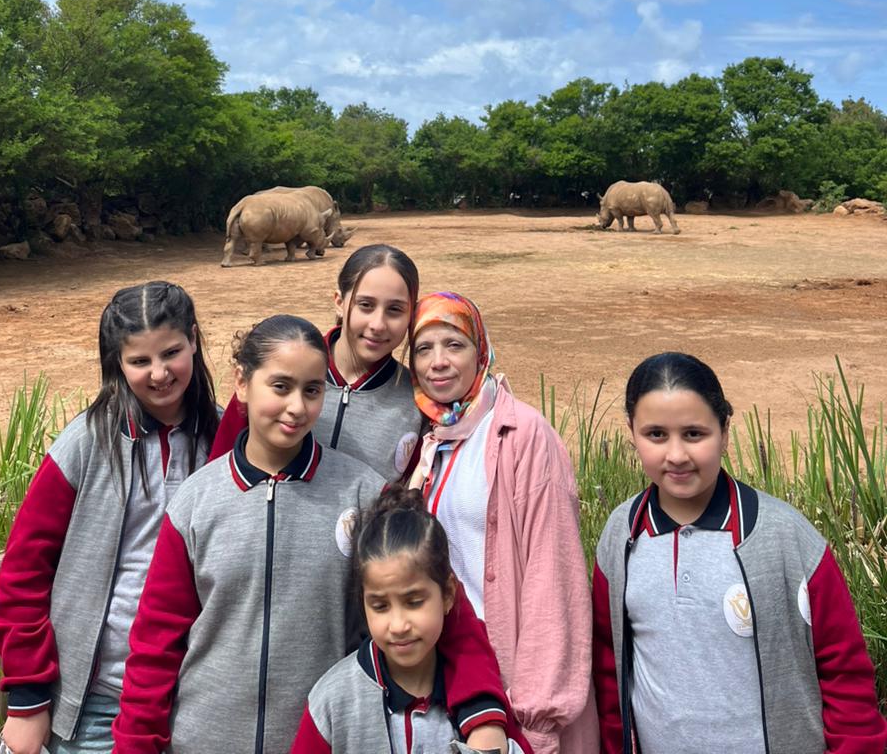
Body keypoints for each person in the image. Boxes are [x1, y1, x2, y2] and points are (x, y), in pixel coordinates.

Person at [112, 315, 510, 754]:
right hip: (202, 740)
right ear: (242, 383)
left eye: (312, 390)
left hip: (325, 738)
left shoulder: (364, 497)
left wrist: (484, 716)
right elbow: (155, 644)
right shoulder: (195, 502)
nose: (297, 407)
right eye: (280, 387)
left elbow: (450, 617)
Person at [592, 351, 887, 754]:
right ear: (632, 432)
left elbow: (844, 673)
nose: (676, 455)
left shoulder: (784, 537)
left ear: (725, 431)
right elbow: (610, 669)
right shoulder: (620, 536)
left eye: (695, 434)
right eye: (656, 434)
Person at [0, 281, 219, 754]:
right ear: (117, 362)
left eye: (171, 352)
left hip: (192, 698)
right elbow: (23, 571)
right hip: (93, 705)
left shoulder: (226, 441)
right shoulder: (85, 443)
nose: (159, 373)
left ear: (194, 340)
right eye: (139, 361)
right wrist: (29, 699)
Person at [408, 292, 599, 754]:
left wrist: (538, 716)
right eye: (423, 348)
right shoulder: (426, 439)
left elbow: (554, 581)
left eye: (454, 345)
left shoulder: (523, 435)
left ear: (481, 349)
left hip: (513, 688)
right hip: (449, 680)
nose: (438, 362)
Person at [291, 486, 530, 753]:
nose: (399, 625)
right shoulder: (333, 702)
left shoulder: (479, 704)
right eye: (380, 606)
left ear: (449, 594)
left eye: (414, 602)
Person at [211, 244, 423, 481]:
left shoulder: (418, 401)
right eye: (365, 305)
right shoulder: (277, 367)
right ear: (339, 302)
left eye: (395, 310)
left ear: (411, 315)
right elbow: (219, 472)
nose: (378, 324)